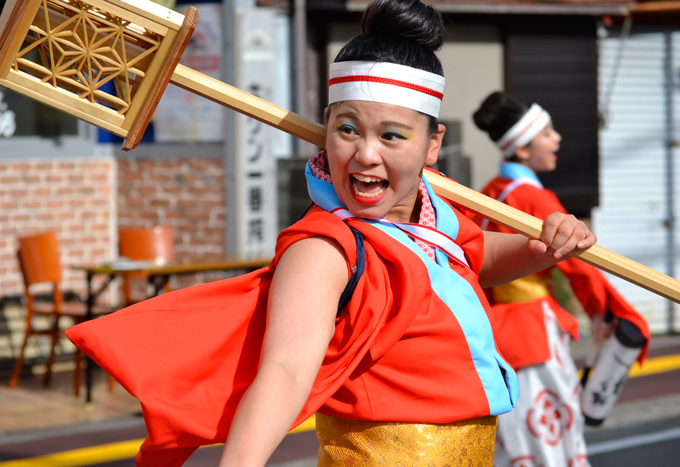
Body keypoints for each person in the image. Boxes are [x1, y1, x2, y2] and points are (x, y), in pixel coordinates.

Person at [67, 3, 598, 466]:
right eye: (347, 128)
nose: (366, 153)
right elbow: (284, 370)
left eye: (392, 135)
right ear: (326, 128)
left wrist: (543, 245)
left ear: (433, 145)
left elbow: (475, 258)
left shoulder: (433, 212)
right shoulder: (324, 248)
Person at [471, 91, 650, 467]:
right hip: (533, 333)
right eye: (547, 132)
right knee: (551, 444)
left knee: (510, 443)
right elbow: (579, 262)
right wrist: (618, 312)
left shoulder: (486, 193)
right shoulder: (534, 198)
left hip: (490, 335)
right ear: (521, 149)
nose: (558, 139)